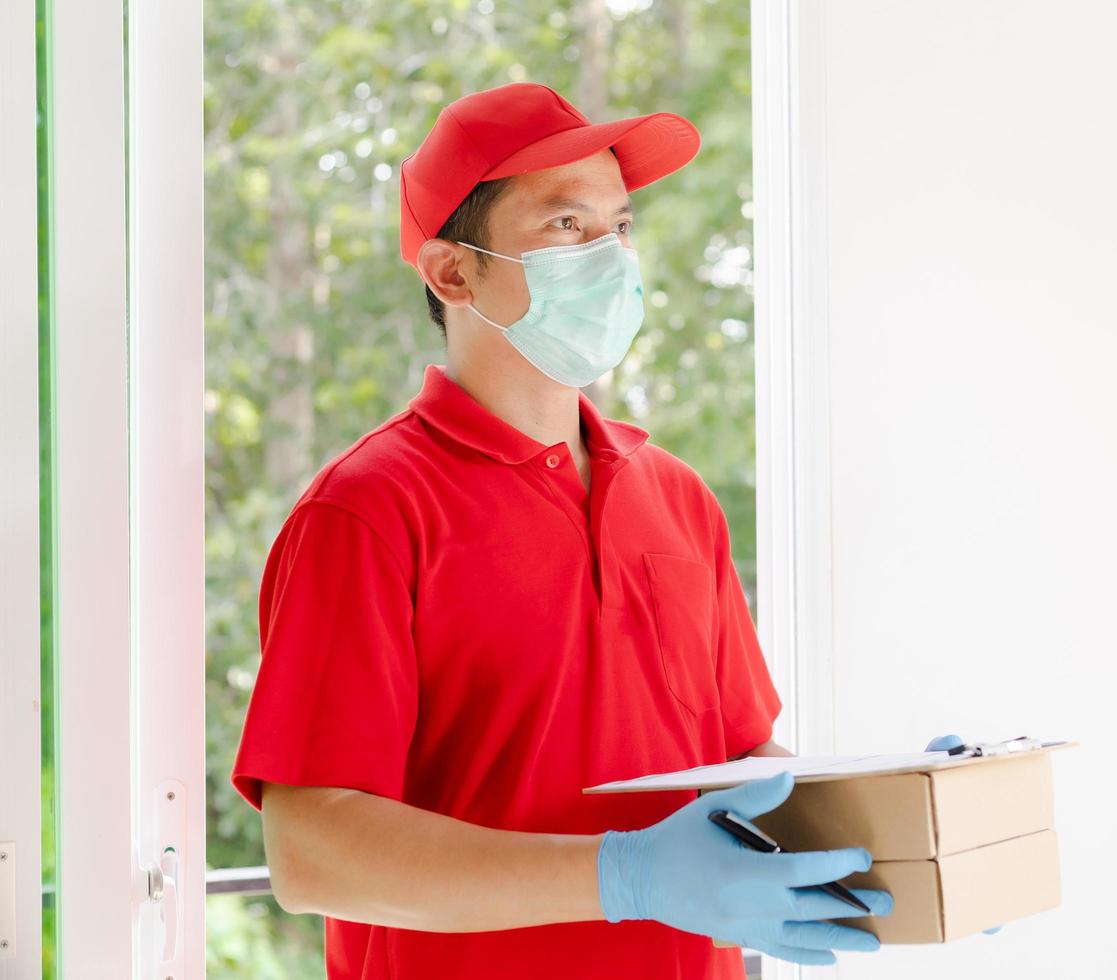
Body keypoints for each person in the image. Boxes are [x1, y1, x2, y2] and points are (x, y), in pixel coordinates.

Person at [230, 81, 972, 979]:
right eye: (567, 227)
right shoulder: (369, 513)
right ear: (453, 271)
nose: (613, 256)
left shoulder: (677, 497)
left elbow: (740, 766)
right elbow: (314, 855)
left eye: (619, 226)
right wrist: (622, 875)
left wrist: (908, 839)